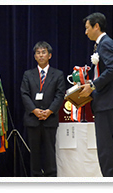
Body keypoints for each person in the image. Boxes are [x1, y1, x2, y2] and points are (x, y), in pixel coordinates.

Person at [79, 12, 113, 177]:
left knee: (105, 147)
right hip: (103, 101)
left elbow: (112, 69)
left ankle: (110, 181)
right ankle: (109, 179)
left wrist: (92, 85)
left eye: (87, 28)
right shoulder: (101, 44)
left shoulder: (105, 43)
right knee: (104, 145)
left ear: (96, 26)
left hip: (106, 102)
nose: (86, 32)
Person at [21, 41, 66, 177]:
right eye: (38, 53)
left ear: (49, 55)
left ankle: (51, 180)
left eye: (43, 52)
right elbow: (24, 94)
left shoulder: (57, 74)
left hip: (50, 119)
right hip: (32, 119)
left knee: (49, 152)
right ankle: (35, 181)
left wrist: (50, 111)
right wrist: (34, 110)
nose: (41, 56)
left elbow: (60, 95)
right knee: (34, 153)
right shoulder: (28, 74)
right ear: (35, 56)